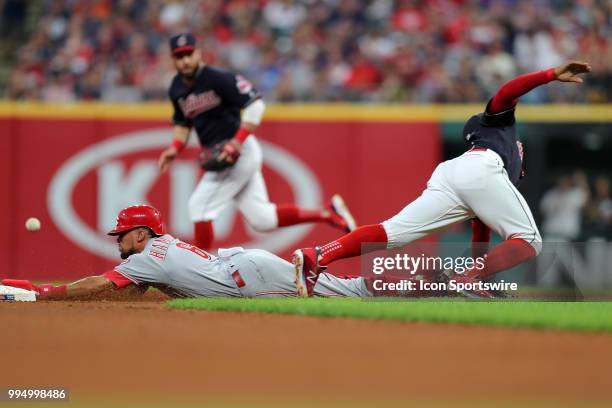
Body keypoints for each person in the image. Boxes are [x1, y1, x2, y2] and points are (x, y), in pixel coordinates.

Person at [293, 61, 592, 298]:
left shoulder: (495, 157)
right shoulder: (500, 128)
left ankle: (317, 255)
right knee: (530, 240)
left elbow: (480, 228)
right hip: (479, 167)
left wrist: (479, 271)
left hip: (451, 174)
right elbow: (506, 92)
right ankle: (467, 279)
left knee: (392, 232)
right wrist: (550, 74)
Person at [157, 33, 356, 250]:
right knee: (263, 219)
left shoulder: (217, 78)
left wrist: (237, 142)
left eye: (188, 54)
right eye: (179, 56)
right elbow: (183, 123)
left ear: (198, 53)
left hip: (237, 151)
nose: (185, 60)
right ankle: (327, 213)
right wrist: (175, 148)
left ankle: (201, 270)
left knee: (199, 207)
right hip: (221, 152)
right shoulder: (176, 87)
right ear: (173, 59)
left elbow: (255, 105)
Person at [1, 205, 372, 300]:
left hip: (251, 277)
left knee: (347, 291)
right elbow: (125, 289)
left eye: (123, 234)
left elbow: (101, 283)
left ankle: (408, 285)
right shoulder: (156, 252)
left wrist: (45, 292)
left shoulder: (147, 258)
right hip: (246, 268)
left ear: (142, 234)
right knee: (338, 286)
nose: (118, 239)